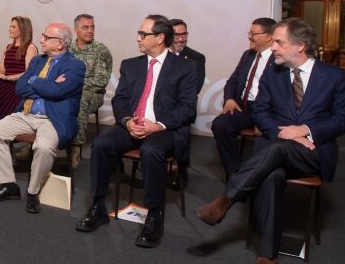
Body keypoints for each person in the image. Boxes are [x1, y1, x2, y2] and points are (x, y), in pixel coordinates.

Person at [196, 18, 345, 263]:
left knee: (275, 152)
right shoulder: (273, 74)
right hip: (275, 144)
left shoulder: (334, 76)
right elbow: (260, 112)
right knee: (272, 173)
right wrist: (284, 133)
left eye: (279, 42)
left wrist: (305, 130)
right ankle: (267, 254)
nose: (273, 47)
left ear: (300, 46)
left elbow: (342, 120)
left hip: (312, 150)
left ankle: (228, 198)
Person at [76, 14, 197, 248]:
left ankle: (154, 216)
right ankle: (98, 206)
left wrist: (158, 125)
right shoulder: (131, 65)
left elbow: (187, 108)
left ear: (160, 37)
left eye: (143, 34)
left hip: (165, 128)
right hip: (133, 124)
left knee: (151, 151)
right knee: (101, 144)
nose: (138, 38)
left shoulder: (186, 67)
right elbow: (120, 99)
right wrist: (128, 120)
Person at [0, 22, 84, 213]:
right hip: (27, 113)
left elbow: (58, 92)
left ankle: (32, 191)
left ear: (60, 43)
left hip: (52, 119)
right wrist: (48, 85)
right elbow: (20, 87)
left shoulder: (75, 66)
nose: (41, 40)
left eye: (46, 37)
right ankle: (8, 185)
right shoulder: (38, 60)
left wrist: (35, 80)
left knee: (44, 147)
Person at [211, 17, 276, 178]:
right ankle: (235, 173)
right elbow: (232, 81)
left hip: (268, 110)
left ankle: (256, 176)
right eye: (249, 32)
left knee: (266, 140)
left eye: (253, 33)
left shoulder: (279, 58)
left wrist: (265, 118)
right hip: (244, 107)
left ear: (268, 36)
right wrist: (229, 99)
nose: (249, 36)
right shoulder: (248, 55)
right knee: (220, 124)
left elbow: (282, 94)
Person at [68, 14, 112, 168]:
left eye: (92, 27)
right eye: (85, 27)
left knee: (80, 101)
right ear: (76, 29)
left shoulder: (100, 50)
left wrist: (74, 88)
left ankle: (76, 147)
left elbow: (100, 81)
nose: (90, 31)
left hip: (92, 94)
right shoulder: (68, 49)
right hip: (69, 90)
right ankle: (38, 143)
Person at [168, 18, 206, 190]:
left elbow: (194, 89)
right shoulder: (157, 55)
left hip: (182, 106)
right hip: (158, 106)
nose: (181, 39)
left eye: (184, 35)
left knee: (182, 128)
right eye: (177, 35)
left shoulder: (196, 58)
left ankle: (182, 171)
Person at [0, 16, 39, 126]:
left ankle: (0, 136)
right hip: (3, 84)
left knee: (2, 102)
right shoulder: (8, 47)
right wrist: (0, 74)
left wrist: (9, 77)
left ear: (22, 29)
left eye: (13, 26)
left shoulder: (30, 47)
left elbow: (29, 73)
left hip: (19, 87)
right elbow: (2, 70)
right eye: (10, 26)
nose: (9, 29)